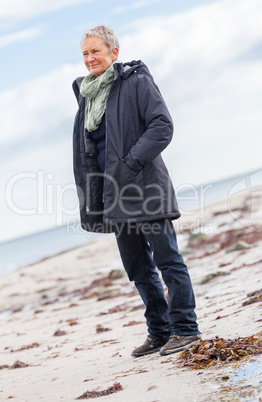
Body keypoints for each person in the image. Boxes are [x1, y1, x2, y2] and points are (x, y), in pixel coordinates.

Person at [72, 25, 201, 357]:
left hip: (146, 188)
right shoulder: (87, 98)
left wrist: (128, 164)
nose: (90, 58)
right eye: (85, 53)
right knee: (138, 268)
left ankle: (185, 329)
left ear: (114, 53)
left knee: (168, 261)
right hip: (113, 197)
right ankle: (159, 332)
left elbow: (163, 126)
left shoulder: (136, 83)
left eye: (95, 51)